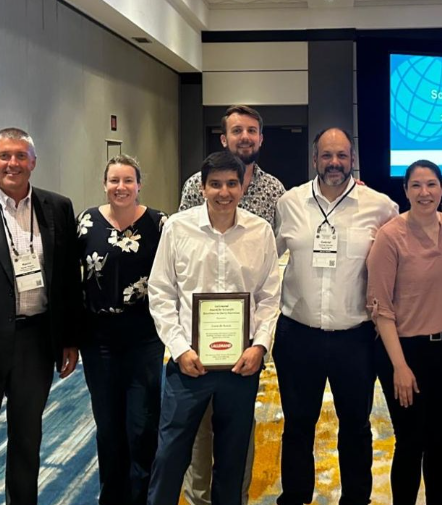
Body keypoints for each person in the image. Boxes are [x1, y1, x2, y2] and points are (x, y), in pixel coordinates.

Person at [0, 127, 82, 505]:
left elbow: (68, 278)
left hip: (36, 342)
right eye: (5, 156)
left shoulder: (58, 206)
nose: (13, 163)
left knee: (28, 439)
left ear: (33, 162)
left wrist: (69, 338)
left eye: (21, 156)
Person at [146, 151, 281, 505]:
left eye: (232, 184)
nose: (224, 192)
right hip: (188, 363)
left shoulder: (260, 231)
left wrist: (260, 346)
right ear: (202, 187)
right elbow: (161, 293)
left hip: (242, 364)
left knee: (232, 459)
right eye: (216, 184)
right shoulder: (178, 228)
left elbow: (270, 297)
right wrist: (179, 348)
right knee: (170, 454)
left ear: (242, 186)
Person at [273, 128, 398, 505]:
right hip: (298, 334)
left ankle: (356, 499)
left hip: (355, 338)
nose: (334, 163)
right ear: (315, 160)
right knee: (297, 425)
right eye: (327, 156)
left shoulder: (380, 207)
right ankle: (295, 498)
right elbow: (264, 263)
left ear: (353, 160)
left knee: (356, 426)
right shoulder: (289, 203)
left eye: (342, 156)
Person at [178, 104, 285, 505]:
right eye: (237, 131)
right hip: (199, 332)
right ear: (224, 138)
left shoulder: (275, 190)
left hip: (246, 333)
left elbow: (276, 261)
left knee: (240, 427)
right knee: (198, 427)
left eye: (252, 131)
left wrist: (259, 339)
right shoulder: (195, 185)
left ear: (261, 138)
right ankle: (201, 496)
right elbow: (183, 248)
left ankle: (235, 496)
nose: (245, 137)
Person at [365, 160, 442, 505]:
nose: (425, 193)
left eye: (431, 185)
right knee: (410, 440)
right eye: (416, 186)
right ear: (405, 191)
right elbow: (380, 307)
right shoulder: (390, 236)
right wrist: (400, 367)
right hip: (404, 352)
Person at [75, 155, 167, 505]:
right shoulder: (86, 222)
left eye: (128, 180)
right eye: (114, 180)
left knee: (142, 424)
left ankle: (142, 496)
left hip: (144, 337)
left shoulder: (160, 224)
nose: (121, 187)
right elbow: (72, 280)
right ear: (105, 184)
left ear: (139, 185)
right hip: (98, 341)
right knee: (108, 424)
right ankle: (111, 496)